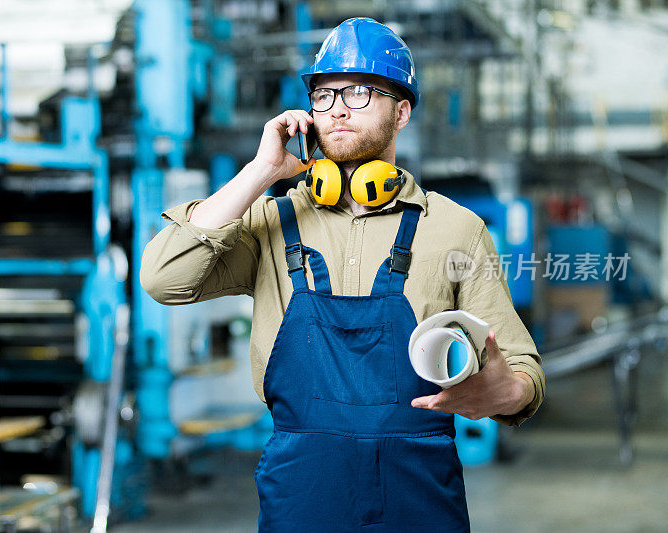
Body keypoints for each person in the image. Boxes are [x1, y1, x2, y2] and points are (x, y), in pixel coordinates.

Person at [141, 17, 544, 533]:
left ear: (401, 113)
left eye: (358, 92)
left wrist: (502, 393)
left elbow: (523, 371)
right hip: (304, 487)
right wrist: (262, 172)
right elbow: (162, 277)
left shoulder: (455, 229)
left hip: (418, 491)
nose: (337, 109)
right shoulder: (271, 222)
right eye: (324, 96)